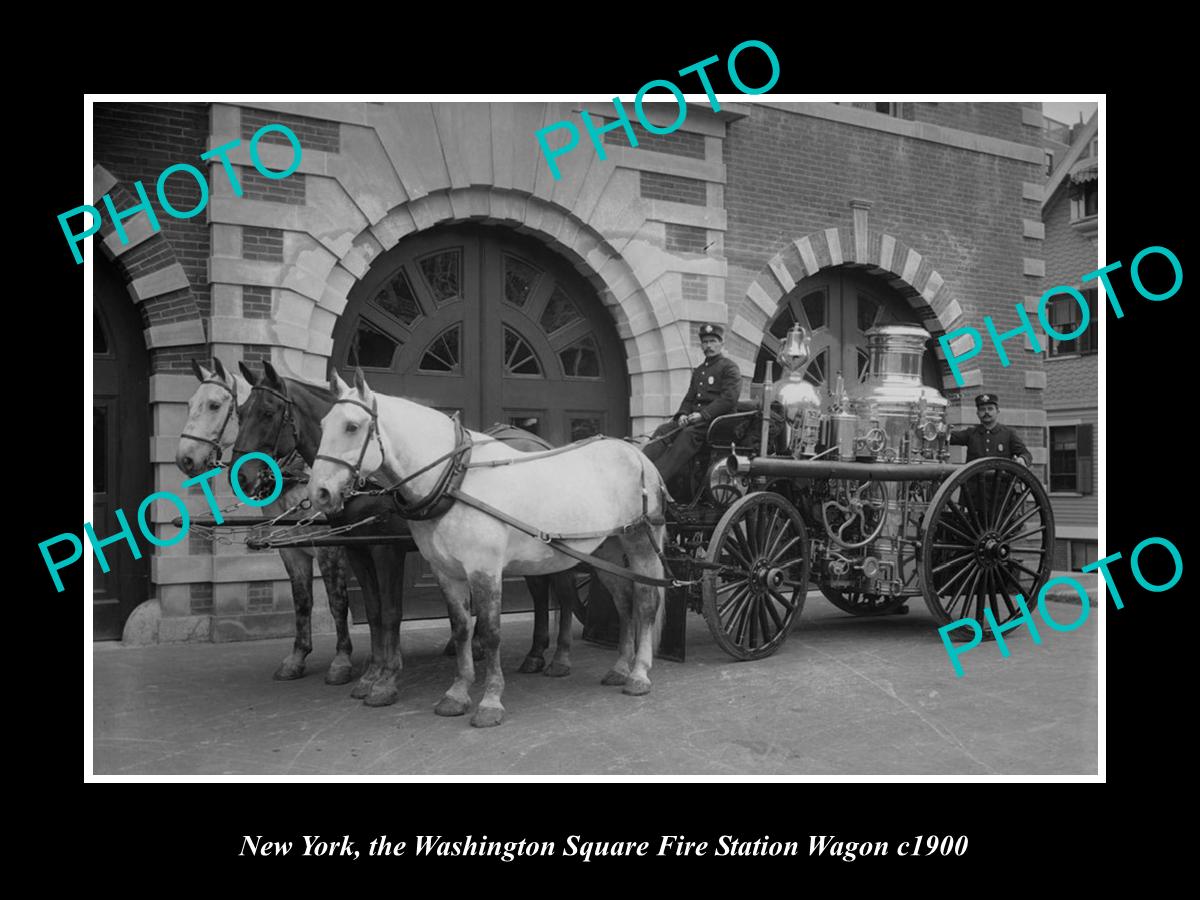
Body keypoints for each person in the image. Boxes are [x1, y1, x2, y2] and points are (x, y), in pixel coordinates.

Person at [643, 323, 742, 493]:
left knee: (687, 435)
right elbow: (689, 398)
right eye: (705, 342)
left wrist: (703, 415)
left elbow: (728, 399)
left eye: (712, 341)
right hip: (696, 421)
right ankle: (642, 470)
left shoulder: (729, 367)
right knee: (664, 430)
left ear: (721, 343)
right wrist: (682, 414)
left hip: (716, 423)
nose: (708, 346)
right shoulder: (699, 371)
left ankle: (657, 480)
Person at [949, 393, 1032, 464]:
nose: (986, 412)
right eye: (982, 409)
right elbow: (948, 437)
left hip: (1000, 482)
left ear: (997, 411)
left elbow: (1026, 454)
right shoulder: (971, 433)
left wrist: (1022, 459)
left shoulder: (1009, 433)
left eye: (990, 408)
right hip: (974, 482)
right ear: (977, 413)